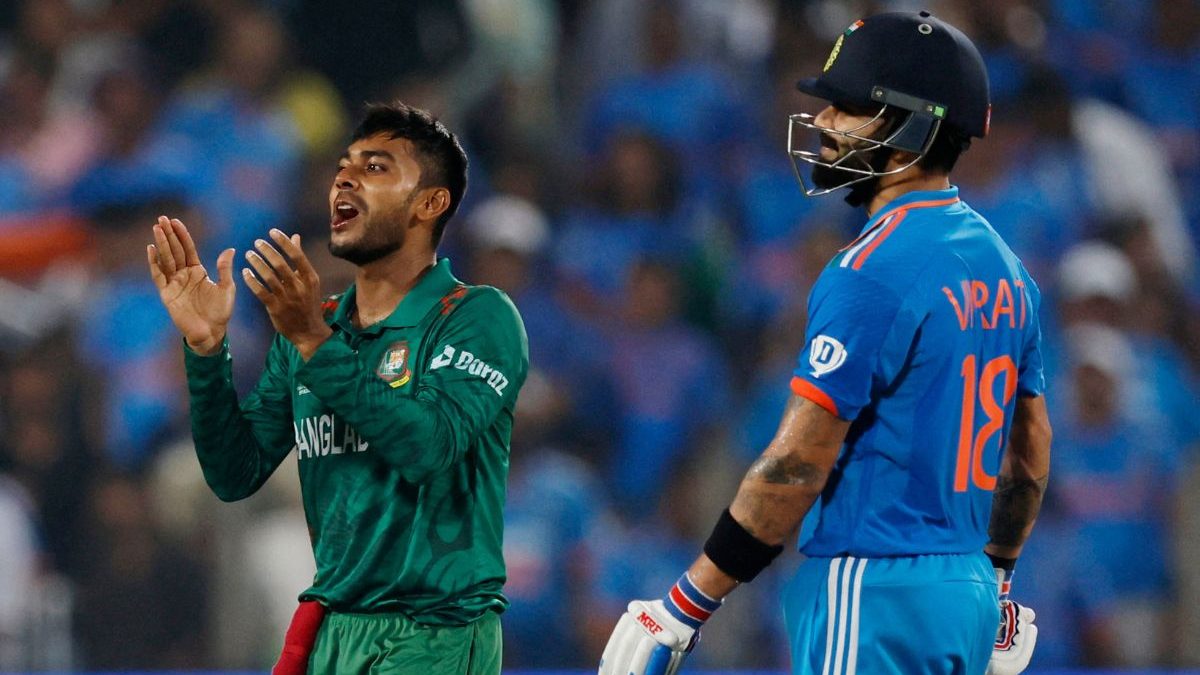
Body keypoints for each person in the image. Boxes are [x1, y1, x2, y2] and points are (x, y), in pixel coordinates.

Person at [599, 11, 1051, 675]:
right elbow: (1029, 452)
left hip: (871, 591)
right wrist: (1000, 583)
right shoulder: (1006, 268)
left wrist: (686, 602)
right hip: (967, 594)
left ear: (910, 129)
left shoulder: (870, 269)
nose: (827, 123)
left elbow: (798, 463)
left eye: (850, 107)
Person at [147, 102, 528, 674]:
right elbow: (235, 473)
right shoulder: (313, 324)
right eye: (344, 167)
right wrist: (206, 351)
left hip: (436, 630)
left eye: (376, 168)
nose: (345, 178)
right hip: (336, 632)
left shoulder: (476, 316)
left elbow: (428, 447)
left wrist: (315, 344)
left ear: (430, 203)